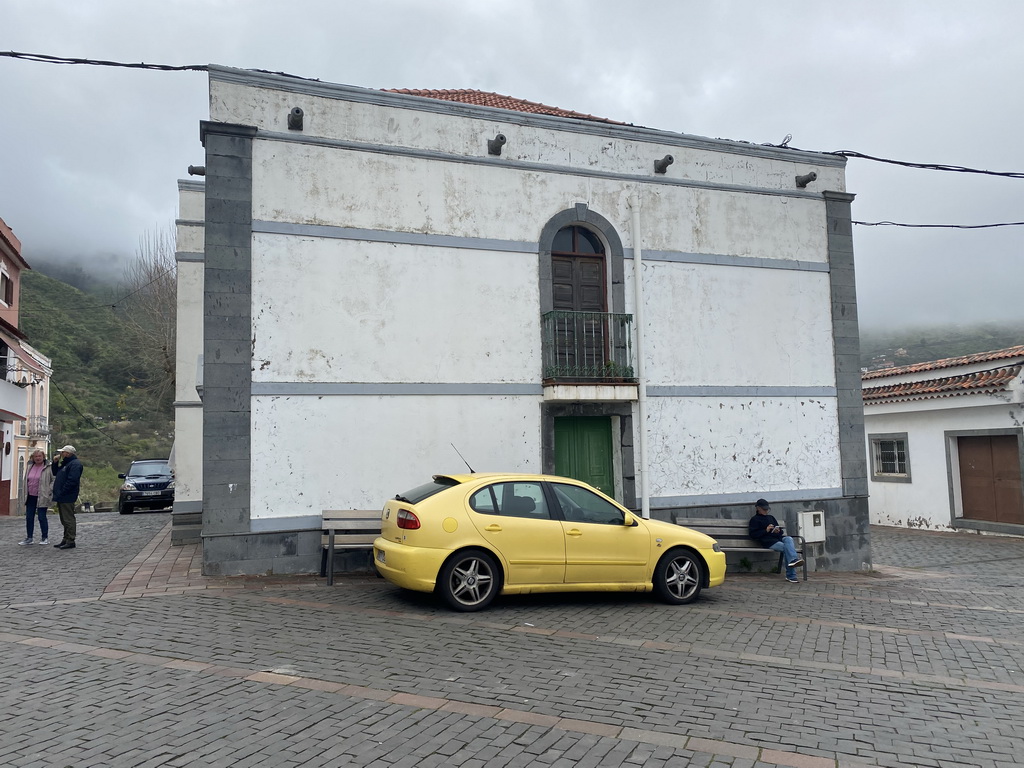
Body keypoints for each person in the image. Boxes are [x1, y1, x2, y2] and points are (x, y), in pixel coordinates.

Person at [748, 498, 803, 583]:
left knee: (789, 538)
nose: (766, 511)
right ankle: (791, 574)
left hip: (778, 538)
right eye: (764, 509)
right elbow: (753, 535)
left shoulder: (771, 518)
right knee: (786, 548)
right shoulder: (754, 520)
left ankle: (793, 561)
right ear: (758, 508)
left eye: (767, 509)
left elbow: (781, 532)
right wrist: (765, 530)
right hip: (768, 541)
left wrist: (778, 531)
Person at [18, 448, 55, 546]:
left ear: (43, 457)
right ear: (33, 458)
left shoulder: (48, 467)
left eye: (40, 456)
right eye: (36, 456)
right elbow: (26, 479)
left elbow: (53, 479)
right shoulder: (30, 466)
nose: (38, 458)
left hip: (42, 495)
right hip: (30, 496)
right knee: (29, 517)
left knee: (42, 517)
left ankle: (45, 537)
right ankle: (29, 538)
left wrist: (49, 490)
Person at [51, 444, 83, 550]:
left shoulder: (75, 464)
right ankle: (66, 538)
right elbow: (55, 472)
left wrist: (63, 491)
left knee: (68, 518)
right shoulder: (66, 463)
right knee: (64, 519)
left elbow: (72, 480)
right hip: (62, 495)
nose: (61, 454)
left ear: (68, 453)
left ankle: (70, 540)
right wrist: (55, 463)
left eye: (63, 452)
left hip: (67, 495)